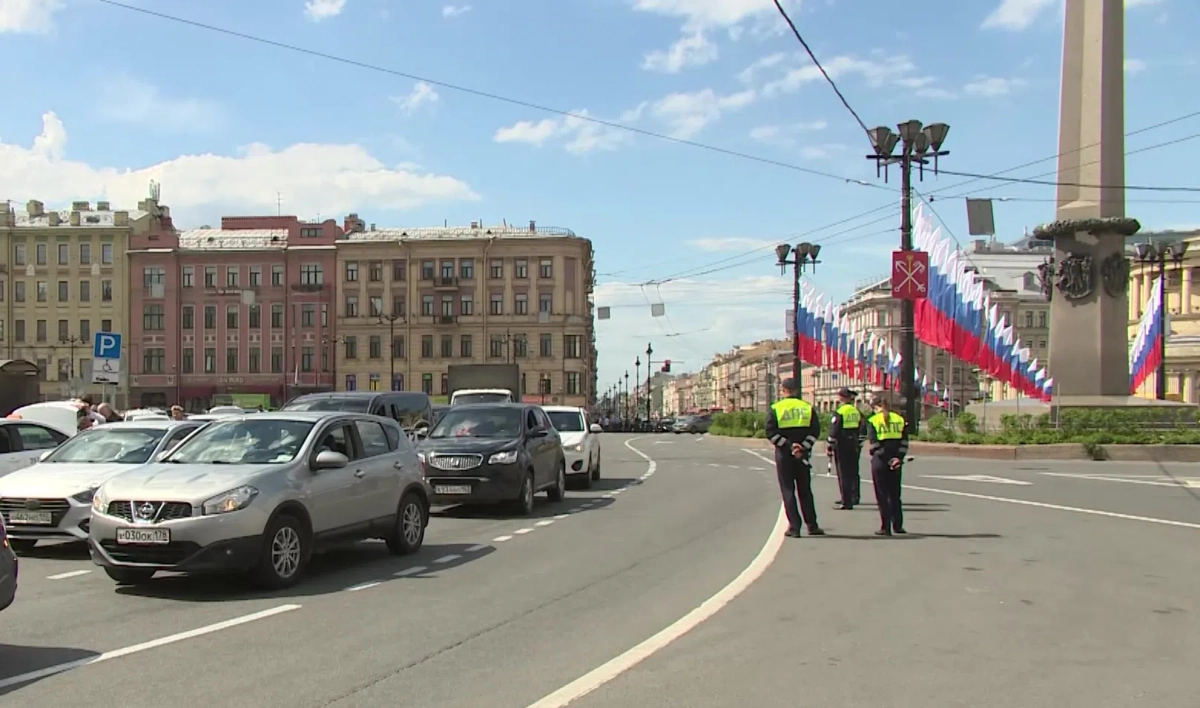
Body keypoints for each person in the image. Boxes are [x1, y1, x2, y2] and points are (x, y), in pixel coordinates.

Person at [764, 378, 825, 538]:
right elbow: (815, 432)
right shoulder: (807, 408)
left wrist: (790, 446)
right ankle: (812, 525)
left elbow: (771, 433)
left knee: (788, 490)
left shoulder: (776, 408)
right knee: (805, 490)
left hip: (784, 455)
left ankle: (795, 527)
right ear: (797, 391)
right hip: (802, 456)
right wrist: (802, 447)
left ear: (783, 390)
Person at [866, 393, 910, 536]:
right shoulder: (900, 420)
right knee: (895, 494)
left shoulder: (873, 420)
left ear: (875, 406)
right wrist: (898, 458)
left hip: (881, 461)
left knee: (882, 495)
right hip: (896, 462)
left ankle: (885, 527)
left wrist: (887, 458)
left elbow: (874, 445)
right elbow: (904, 442)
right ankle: (898, 525)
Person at [827, 387, 866, 510]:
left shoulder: (840, 411)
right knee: (853, 471)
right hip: (854, 444)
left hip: (842, 444)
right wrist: (859, 442)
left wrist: (830, 444)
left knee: (843, 473)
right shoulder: (856, 411)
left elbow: (835, 430)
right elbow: (863, 427)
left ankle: (846, 500)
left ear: (841, 398)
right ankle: (855, 496)